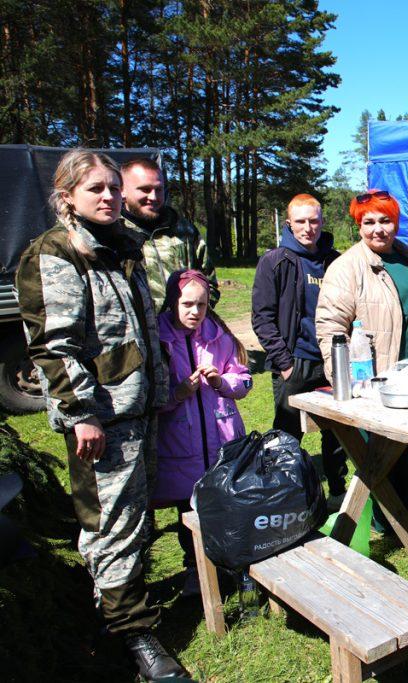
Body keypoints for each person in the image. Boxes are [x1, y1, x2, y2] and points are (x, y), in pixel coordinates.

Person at [16, 149, 185, 680]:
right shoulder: (58, 253)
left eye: (113, 187)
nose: (109, 197)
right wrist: (81, 413)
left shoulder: (119, 248)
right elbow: (54, 347)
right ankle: (131, 636)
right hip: (102, 420)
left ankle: (121, 608)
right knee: (110, 525)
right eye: (96, 189)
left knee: (133, 519)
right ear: (66, 197)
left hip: (139, 410)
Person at [316, 189, 408, 530]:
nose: (377, 229)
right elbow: (330, 327)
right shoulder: (346, 268)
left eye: (385, 221)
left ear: (395, 223)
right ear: (358, 225)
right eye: (369, 222)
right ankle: (388, 521)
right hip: (377, 377)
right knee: (385, 454)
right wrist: (342, 379)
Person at [154, 270, 252, 596]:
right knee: (188, 512)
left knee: (224, 508)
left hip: (221, 439)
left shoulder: (218, 336)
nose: (195, 312)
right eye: (187, 304)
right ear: (173, 302)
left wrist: (222, 383)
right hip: (181, 446)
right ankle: (195, 572)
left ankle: (230, 569)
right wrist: (177, 393)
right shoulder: (158, 339)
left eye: (202, 304)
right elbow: (149, 398)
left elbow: (243, 379)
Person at [252, 194, 346, 505]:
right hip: (296, 362)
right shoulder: (275, 260)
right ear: (289, 223)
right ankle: (283, 493)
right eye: (301, 221)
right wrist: (284, 362)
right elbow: (262, 317)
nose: (308, 228)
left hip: (333, 361)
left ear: (322, 222)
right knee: (288, 434)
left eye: (314, 220)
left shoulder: (335, 261)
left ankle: (338, 491)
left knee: (338, 433)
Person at [120, 157, 219, 311]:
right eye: (145, 189)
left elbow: (208, 282)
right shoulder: (113, 234)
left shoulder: (184, 230)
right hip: (138, 333)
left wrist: (195, 320)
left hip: (183, 333)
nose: (153, 197)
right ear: (122, 191)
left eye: (158, 189)